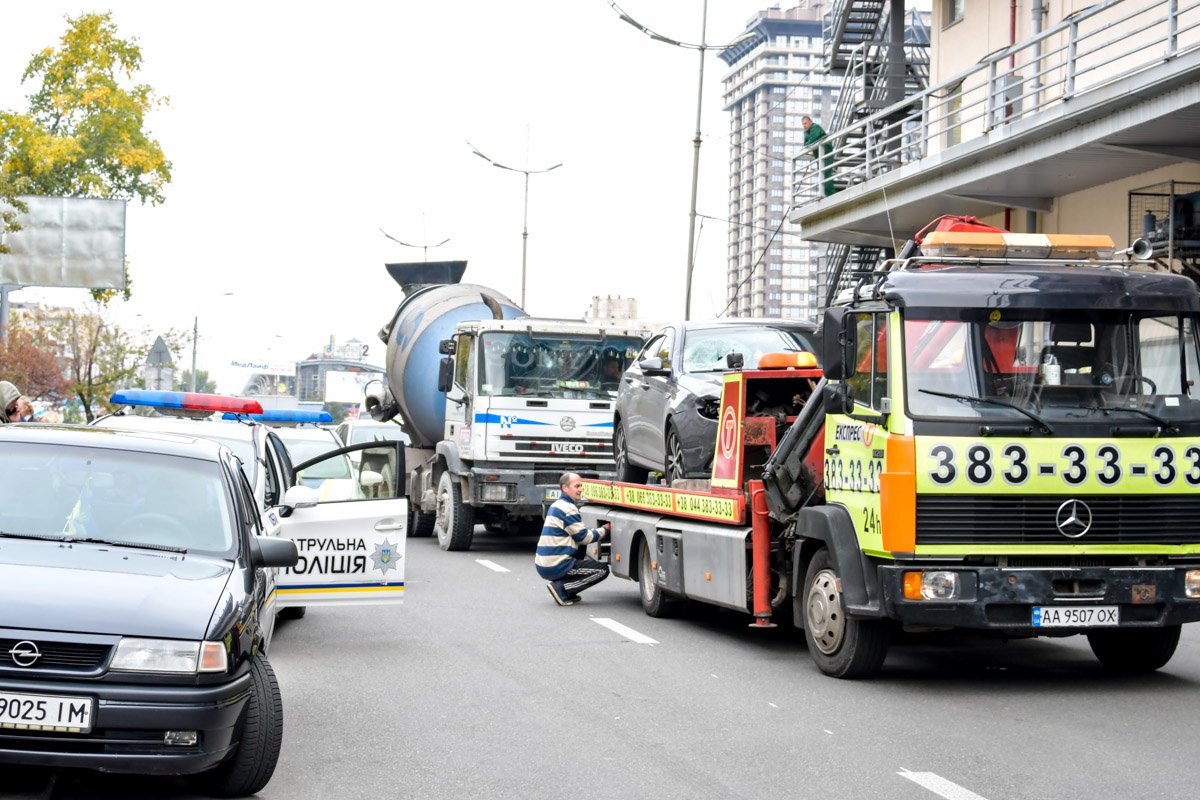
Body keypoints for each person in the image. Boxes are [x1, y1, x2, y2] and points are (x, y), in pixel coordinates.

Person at [534, 472, 610, 606]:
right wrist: (606, 529)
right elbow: (584, 537)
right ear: (565, 488)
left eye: (581, 486)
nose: (581, 489)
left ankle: (568, 591)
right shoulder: (567, 509)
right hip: (556, 565)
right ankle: (562, 589)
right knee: (601, 570)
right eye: (577, 486)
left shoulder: (557, 505)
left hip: (544, 563)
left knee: (581, 549)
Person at [801, 115, 835, 197]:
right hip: (818, 154)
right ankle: (826, 193)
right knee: (821, 174)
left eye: (805, 123)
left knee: (826, 173)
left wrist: (808, 143)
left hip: (826, 152)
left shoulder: (815, 127)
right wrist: (808, 143)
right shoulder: (806, 132)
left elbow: (811, 142)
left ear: (810, 122)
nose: (804, 126)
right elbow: (805, 144)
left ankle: (831, 194)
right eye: (803, 124)